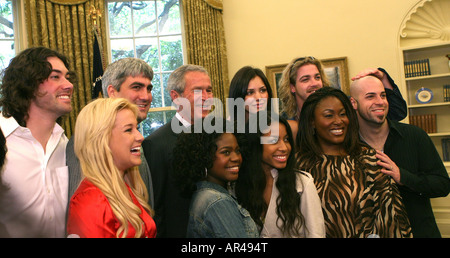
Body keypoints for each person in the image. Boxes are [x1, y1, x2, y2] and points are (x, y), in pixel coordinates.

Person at [296, 87, 412, 238]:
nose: (338, 121)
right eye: (328, 115)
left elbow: (391, 219)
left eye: (343, 114)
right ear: (312, 121)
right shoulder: (299, 164)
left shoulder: (368, 158)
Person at [349, 75, 450, 238]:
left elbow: (442, 185)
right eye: (370, 96)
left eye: (382, 95)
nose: (380, 101)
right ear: (353, 103)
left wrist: (403, 177)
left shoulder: (414, 136)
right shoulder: (348, 147)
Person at [0, 47, 75, 237]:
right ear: (28, 84)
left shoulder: (69, 147)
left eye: (67, 77)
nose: (69, 85)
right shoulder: (3, 141)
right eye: (55, 77)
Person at [66, 57, 155, 209]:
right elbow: (81, 206)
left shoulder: (135, 138)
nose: (146, 96)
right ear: (112, 92)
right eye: (136, 87)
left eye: (148, 88)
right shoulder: (89, 140)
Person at [66, 98, 156, 238]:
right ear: (101, 140)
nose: (140, 137)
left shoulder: (124, 188)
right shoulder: (90, 202)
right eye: (128, 130)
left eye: (136, 129)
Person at [142, 64, 213, 237]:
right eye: (197, 91)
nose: (206, 97)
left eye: (209, 90)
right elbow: (156, 209)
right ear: (176, 96)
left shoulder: (219, 136)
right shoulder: (157, 144)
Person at [235, 112, 325, 238]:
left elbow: (316, 234)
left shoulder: (302, 183)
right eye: (273, 141)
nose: (284, 147)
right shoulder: (237, 185)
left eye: (286, 139)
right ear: (255, 143)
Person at [278, 56, 407, 138]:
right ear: (292, 87)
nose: (314, 83)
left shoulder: (342, 106)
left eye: (317, 77)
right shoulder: (285, 122)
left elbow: (398, 112)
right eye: (305, 79)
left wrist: (383, 77)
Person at [172, 118, 259, 238]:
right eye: (226, 152)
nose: (236, 158)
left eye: (238, 151)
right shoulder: (217, 202)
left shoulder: (203, 195)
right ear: (204, 156)